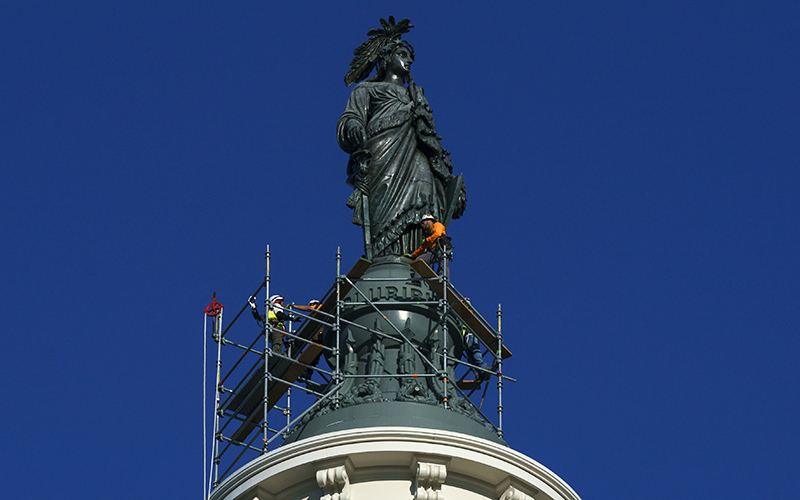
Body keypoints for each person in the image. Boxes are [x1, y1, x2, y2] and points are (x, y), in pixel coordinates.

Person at [338, 17, 466, 259]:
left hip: (416, 157)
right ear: (386, 59)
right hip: (381, 154)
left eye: (410, 58)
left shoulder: (415, 96)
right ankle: (385, 257)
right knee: (383, 211)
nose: (408, 61)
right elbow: (350, 118)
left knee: (422, 202)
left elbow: (429, 136)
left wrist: (445, 173)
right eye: (403, 54)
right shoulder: (366, 90)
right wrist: (354, 126)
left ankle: (414, 256)